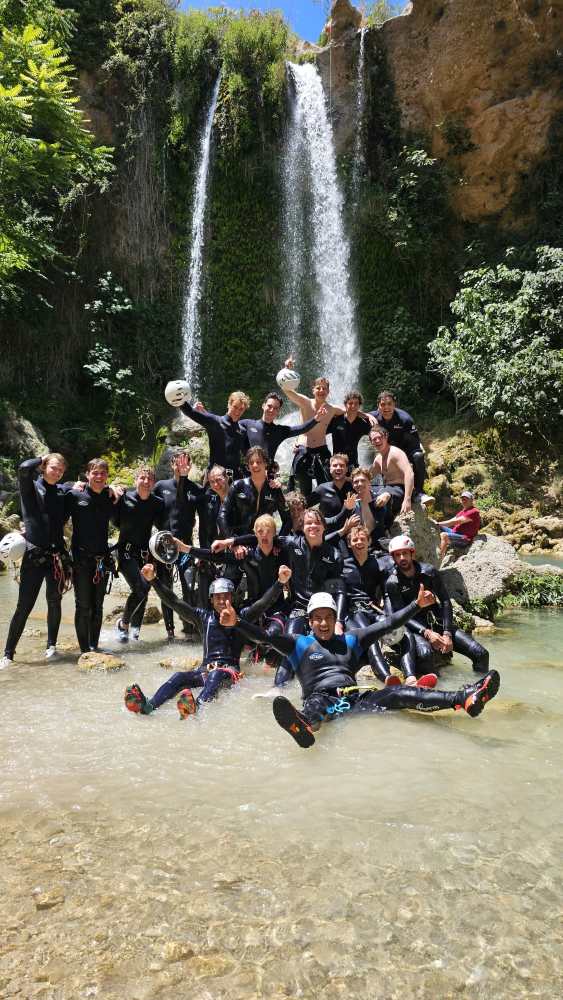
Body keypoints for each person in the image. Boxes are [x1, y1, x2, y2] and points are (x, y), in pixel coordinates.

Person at [221, 590, 500, 748]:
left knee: (400, 693)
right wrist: (237, 624)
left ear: (335, 619)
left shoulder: (351, 640)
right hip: (324, 699)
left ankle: (464, 699)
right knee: (317, 702)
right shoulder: (298, 644)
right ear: (309, 622)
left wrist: (416, 605)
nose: (323, 624)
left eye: (328, 618)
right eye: (317, 619)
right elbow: (265, 637)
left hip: (355, 699)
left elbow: (387, 625)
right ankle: (304, 723)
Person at [124, 565, 292, 718]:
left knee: (216, 675)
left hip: (228, 672)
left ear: (232, 597)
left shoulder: (242, 617)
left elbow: (262, 604)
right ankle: (149, 706)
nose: (221, 601)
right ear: (211, 600)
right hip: (204, 670)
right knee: (178, 676)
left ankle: (196, 707)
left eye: (225, 596)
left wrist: (280, 583)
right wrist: (153, 580)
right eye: (217, 597)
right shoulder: (202, 617)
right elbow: (174, 602)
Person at [384, 534, 490, 679]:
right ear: (393, 558)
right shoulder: (392, 583)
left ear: (412, 553)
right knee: (426, 656)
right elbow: (401, 616)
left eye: (405, 553)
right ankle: (440, 693)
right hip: (415, 628)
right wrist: (426, 633)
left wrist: (447, 633)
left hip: (437, 622)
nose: (402, 558)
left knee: (481, 654)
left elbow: (445, 601)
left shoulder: (429, 572)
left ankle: (481, 684)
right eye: (397, 555)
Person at [1, 453, 72, 667]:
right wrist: (42, 458)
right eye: (54, 468)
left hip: (56, 556)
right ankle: (8, 654)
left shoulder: (61, 492)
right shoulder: (31, 487)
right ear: (43, 467)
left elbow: (81, 492)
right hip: (34, 555)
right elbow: (23, 468)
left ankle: (51, 646)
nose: (57, 472)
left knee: (54, 601)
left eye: (61, 470)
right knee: (24, 606)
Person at [64, 458, 119, 654]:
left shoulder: (109, 496)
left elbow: (127, 494)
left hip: (102, 560)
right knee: (83, 606)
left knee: (98, 605)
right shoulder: (75, 495)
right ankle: (84, 650)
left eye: (103, 473)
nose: (99, 477)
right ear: (87, 475)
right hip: (80, 560)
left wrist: (113, 487)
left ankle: (94, 646)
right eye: (95, 473)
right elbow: (56, 497)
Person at [153, 451, 205, 640]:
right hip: (163, 547)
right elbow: (146, 508)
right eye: (177, 462)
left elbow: (206, 517)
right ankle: (170, 632)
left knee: (189, 587)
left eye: (185, 462)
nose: (181, 465)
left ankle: (189, 628)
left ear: (189, 466)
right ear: (172, 464)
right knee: (166, 590)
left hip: (186, 546)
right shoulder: (161, 486)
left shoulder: (196, 489)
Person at [279, 356, 345, 496]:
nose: (321, 390)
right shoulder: (305, 402)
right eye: (318, 388)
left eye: (324, 388)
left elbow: (350, 411)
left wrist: (367, 415)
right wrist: (286, 370)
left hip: (322, 450)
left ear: (328, 391)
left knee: (327, 487)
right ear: (313, 390)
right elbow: (286, 390)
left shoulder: (332, 408)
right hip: (304, 449)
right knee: (302, 490)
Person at [114, 465, 164, 642]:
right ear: (136, 480)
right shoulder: (124, 498)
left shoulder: (157, 503)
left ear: (153, 482)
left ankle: (135, 630)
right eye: (142, 478)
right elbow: (113, 518)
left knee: (145, 588)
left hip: (145, 554)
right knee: (140, 588)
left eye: (149, 479)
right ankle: (123, 624)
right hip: (125, 552)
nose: (145, 481)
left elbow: (164, 525)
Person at [368, 390, 432, 501]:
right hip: (387, 450)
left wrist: (405, 458)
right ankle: (386, 490)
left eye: (389, 404)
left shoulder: (405, 419)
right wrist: (365, 415)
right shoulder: (374, 417)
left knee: (418, 456)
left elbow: (415, 444)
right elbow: (355, 413)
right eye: (383, 404)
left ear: (394, 404)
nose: (386, 408)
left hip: (407, 448)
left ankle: (419, 492)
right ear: (378, 406)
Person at [217, 446, 289, 539]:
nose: (255, 465)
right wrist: (232, 541)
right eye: (251, 463)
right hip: (240, 542)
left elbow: (287, 519)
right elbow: (222, 515)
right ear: (248, 466)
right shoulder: (238, 485)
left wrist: (277, 542)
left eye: (258, 462)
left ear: (266, 463)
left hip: (264, 542)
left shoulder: (274, 488)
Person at [240, 391, 325, 470]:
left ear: (278, 412)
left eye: (275, 408)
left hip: (268, 476)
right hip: (249, 473)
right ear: (263, 405)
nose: (271, 410)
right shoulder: (247, 424)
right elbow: (230, 429)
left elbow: (301, 428)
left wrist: (316, 419)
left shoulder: (280, 431)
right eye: (269, 406)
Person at [180, 390, 250, 480]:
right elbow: (190, 412)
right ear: (229, 404)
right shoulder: (215, 422)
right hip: (214, 478)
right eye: (235, 407)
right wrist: (179, 398)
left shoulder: (242, 431)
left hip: (234, 479)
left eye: (241, 409)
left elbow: (249, 455)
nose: (237, 412)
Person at [368, 425, 419, 523]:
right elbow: (367, 476)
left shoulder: (395, 453)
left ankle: (385, 528)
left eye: (380, 437)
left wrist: (407, 499)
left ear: (386, 436)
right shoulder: (378, 459)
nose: (378, 441)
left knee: (383, 496)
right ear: (371, 442)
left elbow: (409, 473)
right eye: (374, 439)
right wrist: (348, 479)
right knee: (371, 498)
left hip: (401, 489)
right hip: (388, 488)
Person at [326, 391, 372, 469]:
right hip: (337, 463)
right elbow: (320, 432)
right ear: (345, 405)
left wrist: (368, 417)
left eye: (356, 403)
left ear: (359, 405)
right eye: (350, 403)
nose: (353, 406)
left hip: (353, 462)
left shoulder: (362, 423)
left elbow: (375, 435)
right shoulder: (336, 420)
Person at [437, 490, 481, 560]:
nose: (464, 501)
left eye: (466, 499)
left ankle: (439, 559)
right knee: (438, 527)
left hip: (465, 539)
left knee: (444, 535)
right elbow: (451, 520)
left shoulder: (474, 511)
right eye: (462, 499)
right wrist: (437, 524)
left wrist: (439, 523)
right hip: (455, 533)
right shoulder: (463, 511)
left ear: (472, 500)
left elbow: (456, 521)